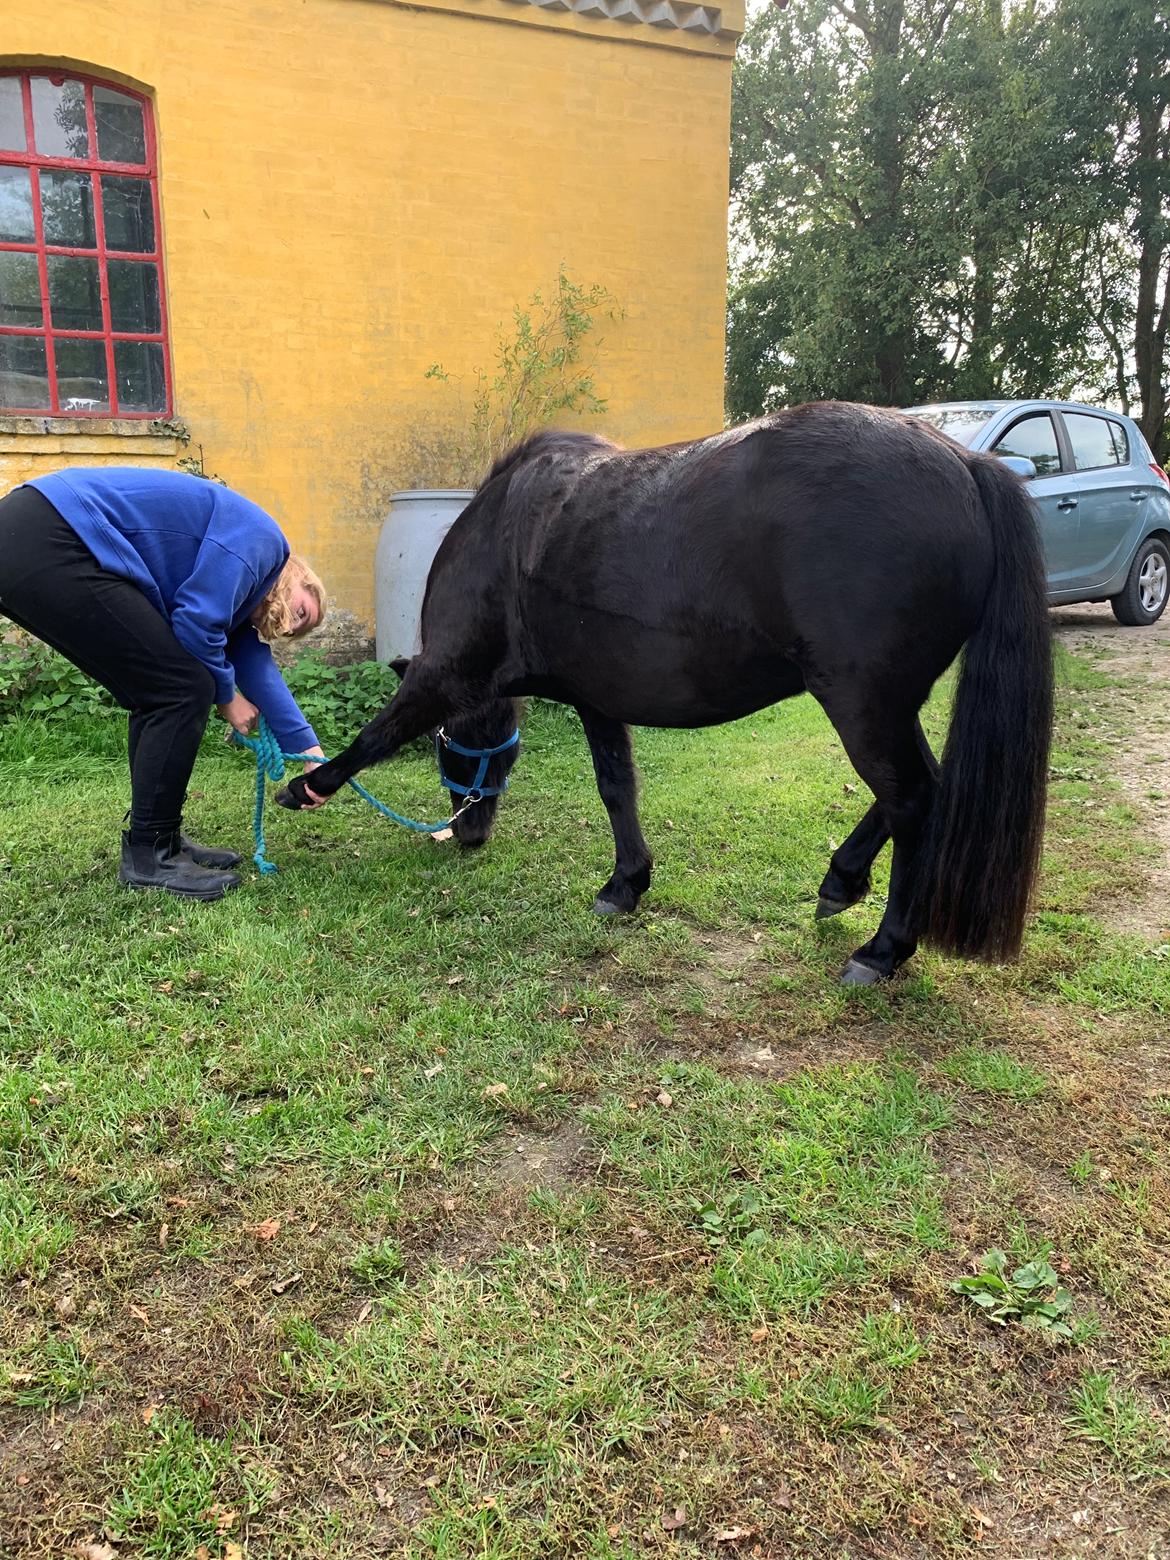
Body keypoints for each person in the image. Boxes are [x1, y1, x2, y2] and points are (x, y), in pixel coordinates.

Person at [0, 466, 330, 901]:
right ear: (300, 576)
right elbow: (196, 626)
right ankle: (149, 854)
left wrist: (310, 753)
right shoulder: (264, 544)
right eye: (304, 613)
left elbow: (252, 663)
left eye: (296, 632)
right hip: (54, 532)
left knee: (164, 687)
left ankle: (158, 838)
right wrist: (227, 697)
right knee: (182, 687)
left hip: (33, 537)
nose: (289, 627)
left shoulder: (242, 596)